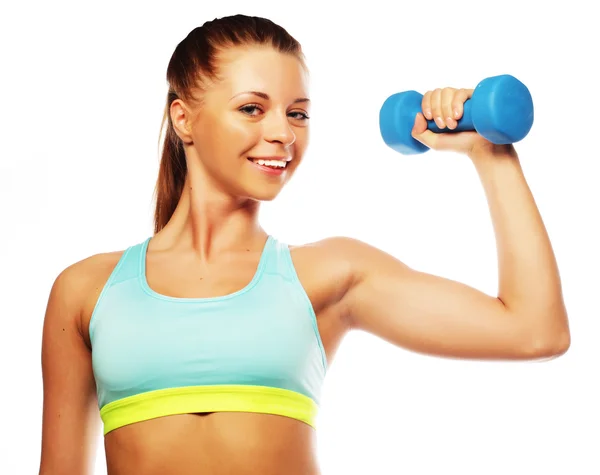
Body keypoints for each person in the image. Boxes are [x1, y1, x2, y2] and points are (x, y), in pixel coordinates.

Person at [38, 14, 571, 475]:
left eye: (297, 113)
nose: (284, 133)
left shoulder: (329, 276)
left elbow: (534, 331)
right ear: (184, 119)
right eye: (252, 108)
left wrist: (490, 154)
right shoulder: (86, 290)